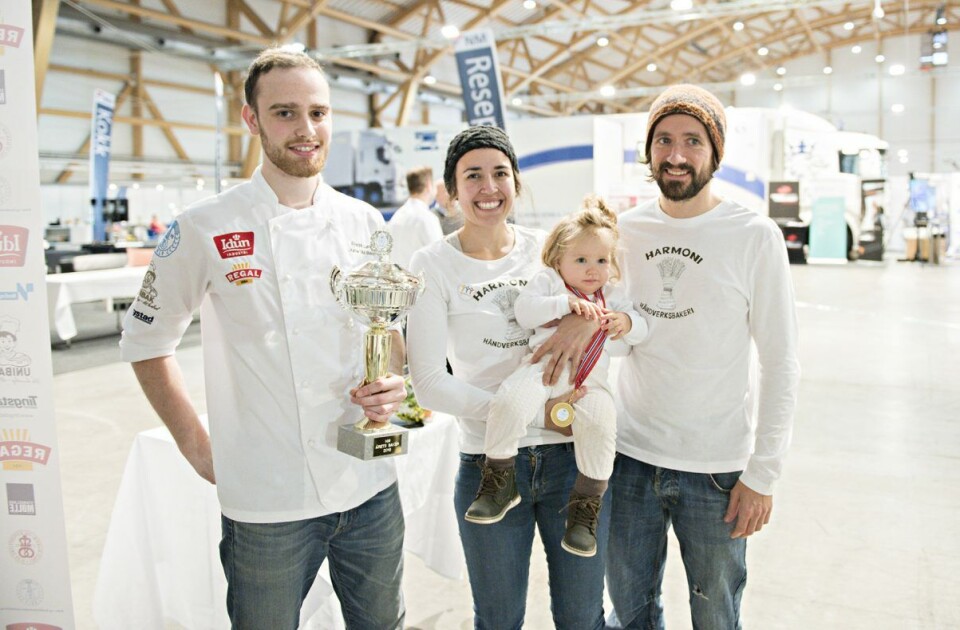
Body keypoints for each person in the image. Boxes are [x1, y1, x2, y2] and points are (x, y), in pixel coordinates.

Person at [119, 47, 407, 629]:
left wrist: (393, 384)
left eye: (319, 113)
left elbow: (390, 336)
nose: (306, 130)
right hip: (267, 502)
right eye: (285, 113)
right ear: (250, 119)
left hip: (370, 487)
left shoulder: (365, 223)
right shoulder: (205, 226)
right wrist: (198, 448)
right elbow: (146, 342)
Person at [605, 84, 801, 629]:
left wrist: (763, 472)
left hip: (716, 470)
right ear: (648, 152)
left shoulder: (753, 236)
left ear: (715, 153)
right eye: (663, 140)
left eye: (693, 140)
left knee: (717, 615)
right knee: (631, 610)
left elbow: (781, 361)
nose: (675, 154)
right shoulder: (625, 232)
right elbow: (621, 338)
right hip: (630, 460)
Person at [406, 125, 610, 629]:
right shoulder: (431, 264)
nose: (488, 187)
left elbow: (605, 298)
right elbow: (429, 380)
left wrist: (585, 320)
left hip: (570, 461)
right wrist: (523, 411)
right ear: (452, 192)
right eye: (472, 176)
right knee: (497, 619)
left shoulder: (550, 250)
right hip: (487, 465)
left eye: (500, 173)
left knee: (583, 616)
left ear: (517, 183)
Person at [464, 196, 648, 560]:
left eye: (601, 260)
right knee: (509, 403)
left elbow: (640, 331)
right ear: (557, 259)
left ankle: (586, 508)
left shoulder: (611, 293)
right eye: (581, 260)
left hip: (589, 384)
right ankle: (499, 478)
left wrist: (626, 323)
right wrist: (566, 305)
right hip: (541, 372)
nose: (593, 269)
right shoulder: (549, 283)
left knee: (601, 427)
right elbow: (526, 311)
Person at [385, 165, 442, 268]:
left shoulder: (397, 217)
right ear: (429, 185)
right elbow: (439, 256)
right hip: (421, 281)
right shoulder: (427, 218)